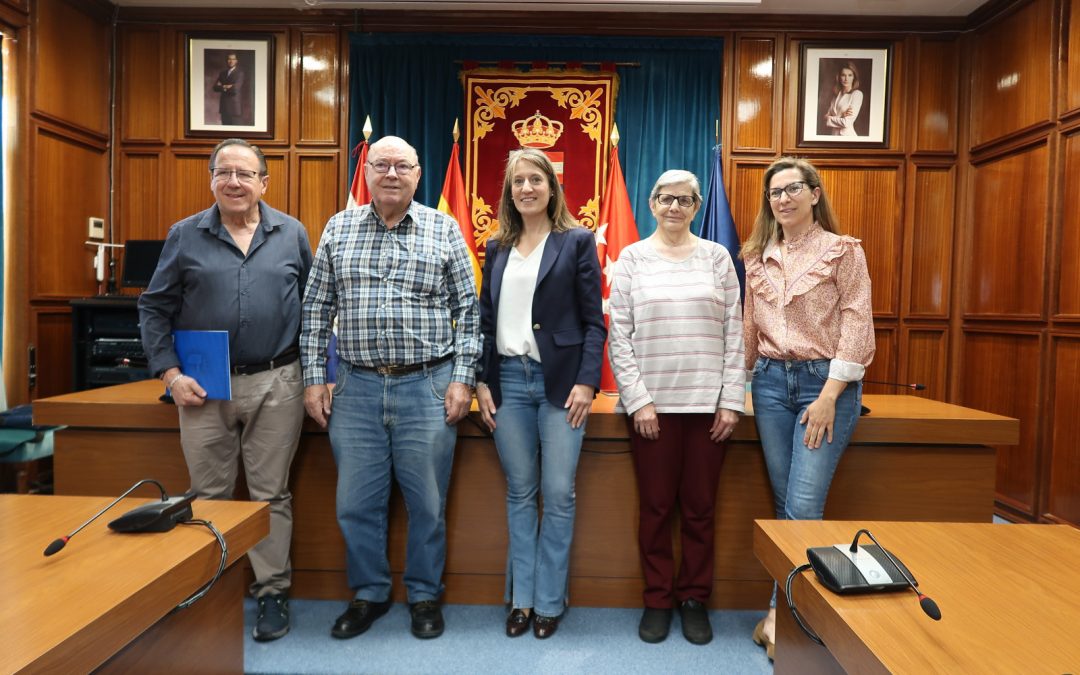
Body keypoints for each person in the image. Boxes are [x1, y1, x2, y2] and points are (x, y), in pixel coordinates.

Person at [300, 136, 481, 641]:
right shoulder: (339, 228)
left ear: (418, 174)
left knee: (427, 504)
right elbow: (315, 309)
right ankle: (370, 593)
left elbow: (469, 314)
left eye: (403, 165)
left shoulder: (445, 229)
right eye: (382, 164)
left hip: (428, 385)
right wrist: (315, 377)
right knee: (355, 503)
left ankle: (424, 595)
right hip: (354, 388)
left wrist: (463, 378)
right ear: (368, 170)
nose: (392, 174)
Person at [138, 138, 313, 642]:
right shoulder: (185, 235)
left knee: (269, 494)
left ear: (264, 182)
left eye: (245, 173)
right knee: (209, 494)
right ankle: (210, 591)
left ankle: (272, 592)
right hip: (203, 386)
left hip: (278, 380)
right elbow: (153, 309)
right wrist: (170, 375)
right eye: (224, 172)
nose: (234, 182)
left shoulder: (291, 233)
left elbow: (314, 304)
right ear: (211, 179)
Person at [740, 157, 874, 659]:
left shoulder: (843, 252)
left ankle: (784, 618)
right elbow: (749, 329)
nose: (784, 199)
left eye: (793, 188)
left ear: (814, 194)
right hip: (771, 385)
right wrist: (735, 392)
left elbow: (857, 322)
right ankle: (791, 613)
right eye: (775, 192)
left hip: (826, 386)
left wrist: (829, 397)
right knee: (786, 505)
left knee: (802, 507)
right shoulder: (757, 257)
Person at [607, 170, 745, 646]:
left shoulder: (718, 258)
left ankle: (693, 598)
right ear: (651, 203)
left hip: (709, 409)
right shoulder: (631, 259)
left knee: (701, 510)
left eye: (685, 199)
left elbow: (735, 333)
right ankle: (658, 598)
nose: (674, 207)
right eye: (666, 198)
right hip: (653, 411)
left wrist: (731, 401)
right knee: (656, 508)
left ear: (697, 205)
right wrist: (638, 401)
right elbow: (618, 337)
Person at [475, 148, 606, 640]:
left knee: (558, 494)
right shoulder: (497, 246)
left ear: (552, 187)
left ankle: (550, 601)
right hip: (508, 381)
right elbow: (486, 323)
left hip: (560, 386)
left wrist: (587, 382)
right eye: (517, 182)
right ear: (508, 192)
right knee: (520, 493)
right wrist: (482, 380)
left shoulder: (575, 242)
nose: (526, 188)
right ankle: (522, 600)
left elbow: (595, 323)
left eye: (535, 180)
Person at [822, 61, 863, 136]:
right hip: (834, 136)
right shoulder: (836, 95)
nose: (846, 78)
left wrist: (829, 118)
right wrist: (841, 116)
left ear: (854, 77)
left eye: (850, 75)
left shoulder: (857, 94)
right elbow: (824, 117)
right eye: (843, 75)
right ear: (839, 77)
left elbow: (846, 123)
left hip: (847, 137)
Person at [214, 52, 245, 125]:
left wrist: (222, 86)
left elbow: (235, 89)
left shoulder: (240, 73)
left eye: (233, 59)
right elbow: (215, 87)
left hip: (234, 108)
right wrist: (226, 86)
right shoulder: (222, 73)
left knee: (235, 131)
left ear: (236, 61)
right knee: (224, 130)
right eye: (229, 59)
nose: (231, 61)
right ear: (227, 61)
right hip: (224, 107)